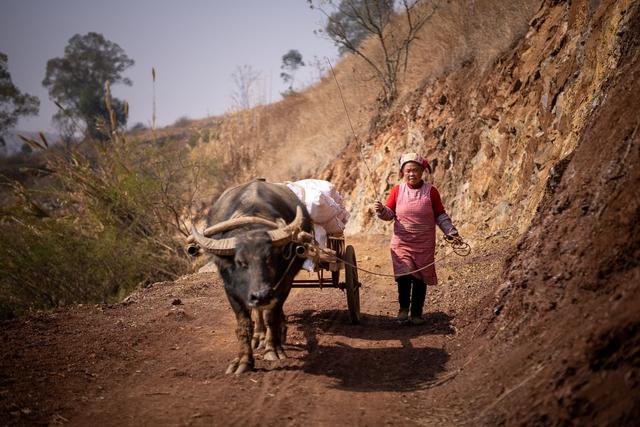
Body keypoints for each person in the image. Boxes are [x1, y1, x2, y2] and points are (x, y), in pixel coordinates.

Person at [374, 152, 462, 325]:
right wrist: (381, 210)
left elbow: (440, 215)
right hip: (402, 242)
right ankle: (403, 309)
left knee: (420, 278)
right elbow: (389, 214)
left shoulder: (431, 192)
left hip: (424, 244)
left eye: (415, 170)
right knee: (405, 276)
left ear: (422, 172)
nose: (411, 174)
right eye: (408, 171)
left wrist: (450, 232)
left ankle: (416, 313)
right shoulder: (397, 190)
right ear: (402, 173)